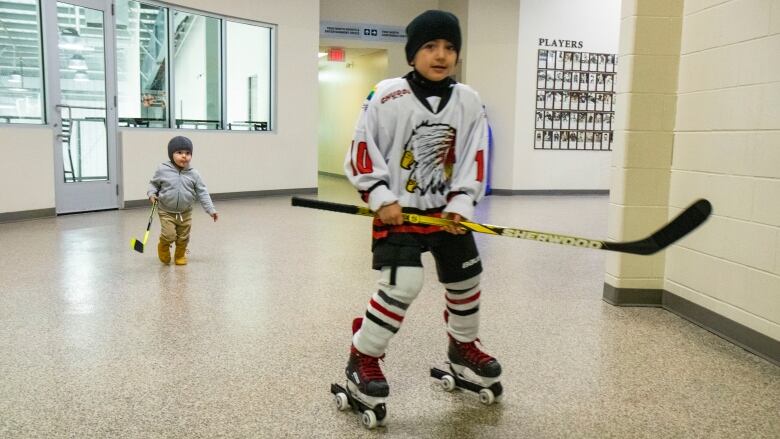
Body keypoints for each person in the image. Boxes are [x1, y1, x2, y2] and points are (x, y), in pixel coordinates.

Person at [342, 9, 501, 408]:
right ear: (413, 54)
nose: (441, 55)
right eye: (430, 46)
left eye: (450, 47)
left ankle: (463, 348)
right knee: (403, 284)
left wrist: (462, 203)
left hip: (447, 214)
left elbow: (474, 157)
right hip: (400, 214)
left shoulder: (468, 100)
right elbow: (362, 151)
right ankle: (362, 357)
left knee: (466, 283)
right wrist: (381, 197)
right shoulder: (386, 94)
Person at [147, 135, 218, 265]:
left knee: (183, 237)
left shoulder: (194, 174)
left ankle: (179, 255)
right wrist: (152, 194)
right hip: (166, 211)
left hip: (185, 212)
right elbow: (153, 184)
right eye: (179, 153)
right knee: (169, 235)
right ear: (171, 154)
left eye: (188, 153)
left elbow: (203, 192)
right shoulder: (162, 170)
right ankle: (163, 245)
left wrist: (210, 209)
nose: (184, 156)